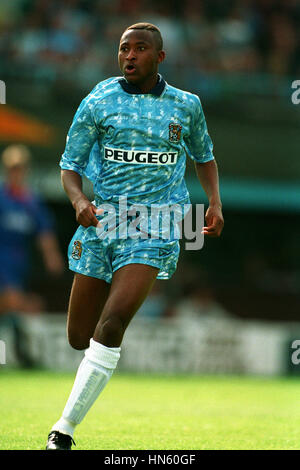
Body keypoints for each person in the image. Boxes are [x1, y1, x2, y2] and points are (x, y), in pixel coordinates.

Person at [46, 22, 224, 450]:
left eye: (140, 48)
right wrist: (77, 201)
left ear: (159, 57)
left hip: (157, 225)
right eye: (124, 48)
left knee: (112, 324)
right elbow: (69, 165)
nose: (129, 55)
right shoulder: (98, 100)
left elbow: (205, 156)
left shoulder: (186, 105)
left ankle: (63, 430)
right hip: (103, 221)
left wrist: (214, 203)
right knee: (79, 336)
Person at [0, 144, 64, 366]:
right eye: (13, 168)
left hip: (19, 263)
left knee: (13, 308)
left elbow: (44, 231)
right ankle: (24, 355)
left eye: (21, 168)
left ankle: (21, 355)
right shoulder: (1, 197)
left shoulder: (31, 202)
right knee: (16, 302)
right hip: (2, 261)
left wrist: (52, 256)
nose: (17, 172)